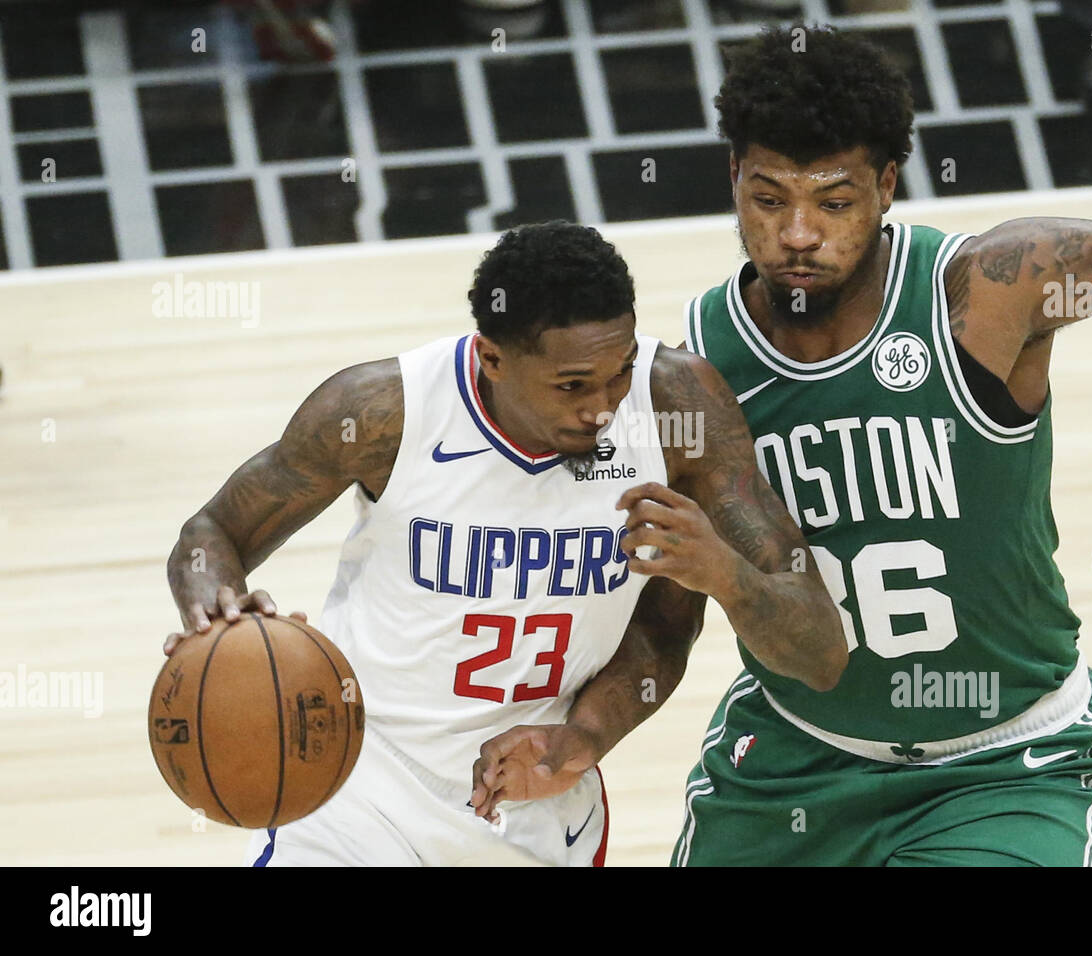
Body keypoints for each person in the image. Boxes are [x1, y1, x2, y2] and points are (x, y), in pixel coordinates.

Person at [475, 25, 1092, 866]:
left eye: (833, 203)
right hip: (794, 759)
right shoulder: (698, 372)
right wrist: (583, 735)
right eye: (769, 200)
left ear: (886, 186)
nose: (798, 234)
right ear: (733, 180)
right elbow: (665, 625)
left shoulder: (989, 294)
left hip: (1000, 764)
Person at [163, 220, 845, 866]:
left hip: (535, 793)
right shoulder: (383, 412)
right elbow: (210, 534)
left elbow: (789, 650)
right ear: (492, 357)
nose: (604, 406)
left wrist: (584, 737)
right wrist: (217, 613)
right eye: (573, 386)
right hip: (361, 780)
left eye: (619, 371)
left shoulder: (676, 409)